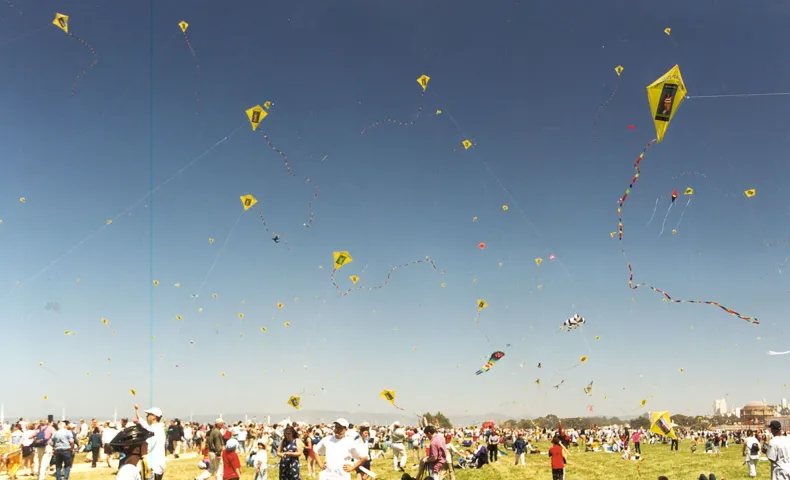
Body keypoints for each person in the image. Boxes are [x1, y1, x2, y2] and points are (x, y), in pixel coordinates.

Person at [134, 404, 166, 480]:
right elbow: (143, 422)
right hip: (157, 466)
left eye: (148, 414)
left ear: (154, 417)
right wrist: (136, 410)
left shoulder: (154, 431)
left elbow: (146, 447)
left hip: (152, 467)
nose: (146, 416)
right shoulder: (156, 428)